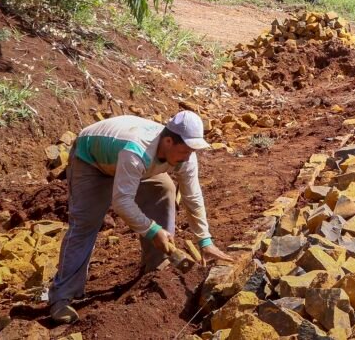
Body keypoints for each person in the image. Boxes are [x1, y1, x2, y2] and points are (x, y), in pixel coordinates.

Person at [48, 111, 233, 324]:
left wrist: (205, 240)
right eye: (185, 151)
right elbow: (122, 203)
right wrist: (152, 230)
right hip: (92, 160)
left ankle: (158, 266)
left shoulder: (184, 155)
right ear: (168, 141)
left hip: (131, 164)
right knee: (86, 223)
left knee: (164, 189)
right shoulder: (136, 150)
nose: (189, 157)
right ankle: (61, 297)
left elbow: (192, 195)